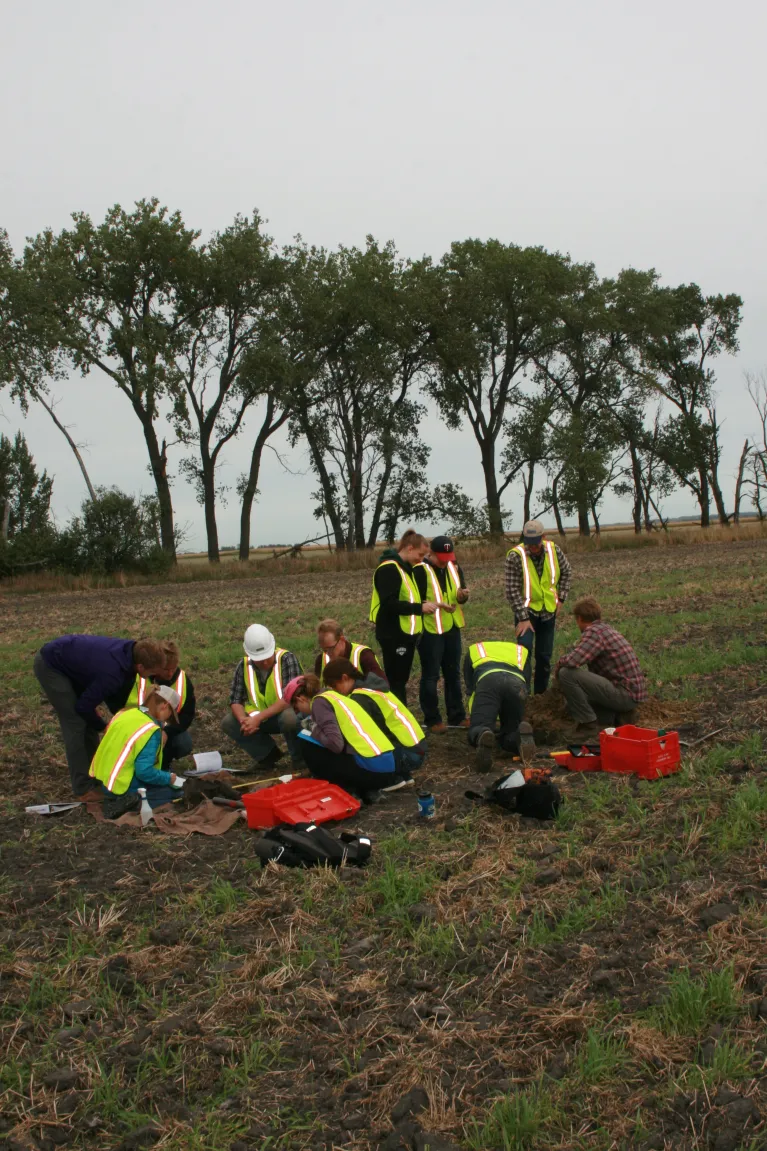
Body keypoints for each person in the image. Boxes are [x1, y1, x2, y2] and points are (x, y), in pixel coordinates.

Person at [33, 634, 168, 798]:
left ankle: (95, 775)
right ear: (140, 667)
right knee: (76, 723)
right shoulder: (112, 673)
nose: (152, 678)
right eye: (152, 673)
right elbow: (83, 706)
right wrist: (103, 726)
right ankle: (83, 788)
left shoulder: (132, 652)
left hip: (74, 662)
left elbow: (113, 699)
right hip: (52, 664)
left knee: (87, 721)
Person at [285, 670, 412, 800]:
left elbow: (336, 745)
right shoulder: (334, 696)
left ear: (300, 699)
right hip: (386, 767)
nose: (298, 712)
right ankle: (361, 788)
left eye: (296, 708)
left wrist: (313, 727)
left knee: (305, 738)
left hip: (374, 772)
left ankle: (342, 787)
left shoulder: (319, 703)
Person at [554, 596, 647, 741]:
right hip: (630, 693)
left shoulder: (594, 633)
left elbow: (573, 661)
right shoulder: (605, 629)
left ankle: (588, 726)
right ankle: (618, 717)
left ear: (579, 619)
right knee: (573, 704)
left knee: (566, 674)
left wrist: (559, 665)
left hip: (624, 694)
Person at [323, 656, 428, 776]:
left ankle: (391, 779)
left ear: (344, 678)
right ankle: (401, 775)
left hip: (407, 755)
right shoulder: (371, 687)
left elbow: (360, 735)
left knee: (355, 756)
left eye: (334, 685)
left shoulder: (359, 698)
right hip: (417, 748)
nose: (335, 691)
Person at [369, 529, 437, 705]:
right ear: (409, 548)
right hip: (393, 634)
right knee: (396, 682)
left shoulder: (405, 569)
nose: (421, 560)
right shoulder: (389, 569)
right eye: (420, 554)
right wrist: (420, 608)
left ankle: (402, 718)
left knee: (401, 680)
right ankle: (399, 721)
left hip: (404, 634)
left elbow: (408, 599)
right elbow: (389, 604)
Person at [89, 685, 186, 809]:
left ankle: (119, 799)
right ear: (165, 706)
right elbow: (144, 772)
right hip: (123, 786)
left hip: (106, 782)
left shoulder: (125, 713)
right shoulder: (150, 730)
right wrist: (169, 778)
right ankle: (131, 803)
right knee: (176, 793)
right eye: (170, 715)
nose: (167, 720)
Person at [504, 520, 572, 695]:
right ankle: (523, 695)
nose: (532, 547)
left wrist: (561, 599)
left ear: (543, 537)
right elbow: (511, 589)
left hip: (548, 611)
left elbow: (566, 572)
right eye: (529, 543)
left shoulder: (554, 550)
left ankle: (540, 697)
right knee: (524, 653)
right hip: (526, 613)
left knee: (544, 657)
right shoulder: (515, 556)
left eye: (536, 543)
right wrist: (523, 618)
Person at [222, 625, 303, 770]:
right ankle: (267, 756)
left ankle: (299, 759)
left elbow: (289, 697)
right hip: (260, 719)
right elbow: (235, 700)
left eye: (267, 657)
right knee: (229, 722)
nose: (264, 662)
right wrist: (244, 721)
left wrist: (258, 719)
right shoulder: (243, 666)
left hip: (284, 714)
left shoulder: (287, 660)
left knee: (289, 718)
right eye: (259, 659)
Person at [106, 640, 195, 770]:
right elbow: (116, 703)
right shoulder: (135, 677)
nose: (170, 673)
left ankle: (162, 765)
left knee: (183, 743)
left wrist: (167, 733)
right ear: (158, 665)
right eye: (165, 669)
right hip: (135, 726)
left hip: (167, 729)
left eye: (173, 668)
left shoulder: (183, 681)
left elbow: (187, 714)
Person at [414, 534, 469, 733]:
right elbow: (414, 602)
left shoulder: (454, 567)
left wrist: (463, 596)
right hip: (430, 630)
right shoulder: (420, 570)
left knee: (453, 673)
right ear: (431, 554)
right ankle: (432, 719)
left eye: (448, 557)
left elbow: (459, 594)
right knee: (431, 676)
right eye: (441, 558)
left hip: (452, 627)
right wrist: (435, 605)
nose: (445, 562)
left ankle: (457, 715)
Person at [463, 640, 532, 773]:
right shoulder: (521, 652)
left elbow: (471, 689)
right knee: (510, 731)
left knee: (478, 727)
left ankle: (483, 732)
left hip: (488, 681)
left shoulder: (475, 649)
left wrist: (480, 718)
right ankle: (518, 736)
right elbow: (526, 688)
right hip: (516, 684)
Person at [313, 619, 388, 689]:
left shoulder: (363, 655)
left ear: (342, 640)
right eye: (324, 650)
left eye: (331, 648)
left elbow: (381, 685)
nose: (328, 653)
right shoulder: (321, 660)